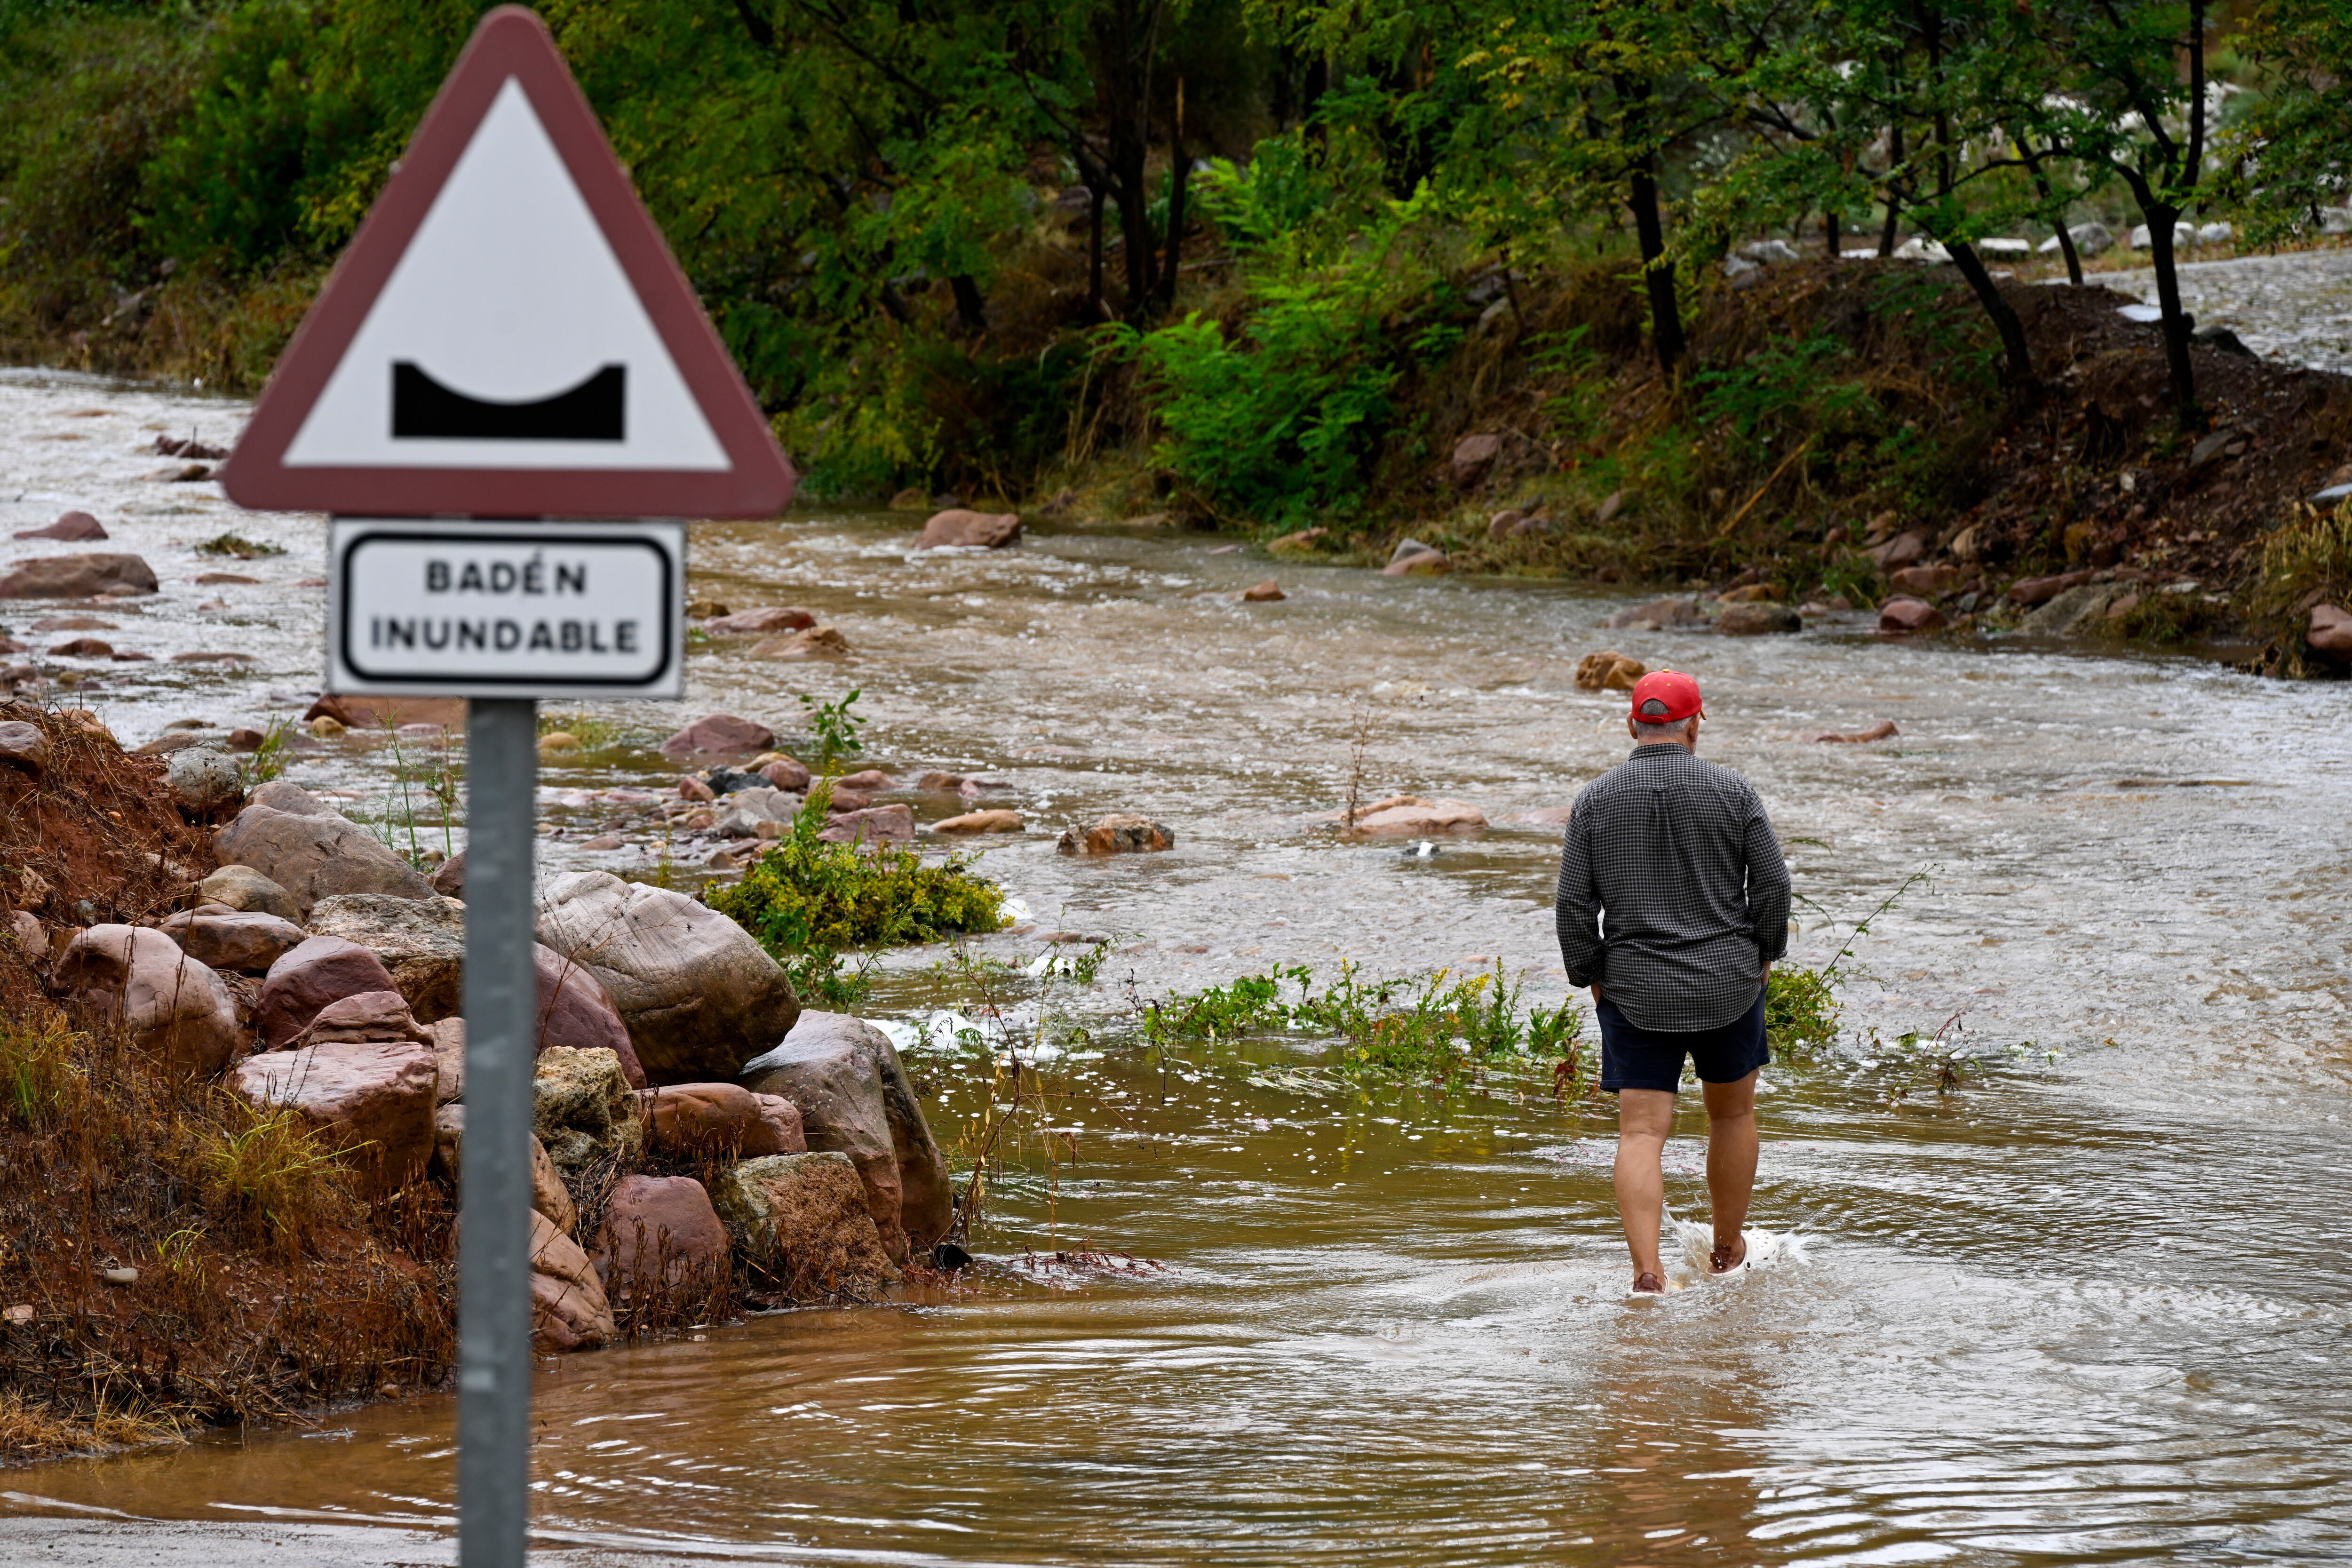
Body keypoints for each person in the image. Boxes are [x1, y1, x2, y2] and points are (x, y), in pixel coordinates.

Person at [1553, 669, 1789, 1294]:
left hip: (1635, 987)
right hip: (1727, 984)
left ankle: (1647, 1272)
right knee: (1733, 1114)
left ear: (1633, 725)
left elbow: (1574, 905)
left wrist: (1591, 974)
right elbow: (1773, 884)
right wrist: (1765, 950)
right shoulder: (1733, 790)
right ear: (1696, 723)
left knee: (1640, 1131)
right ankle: (1725, 1251)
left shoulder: (1596, 800)